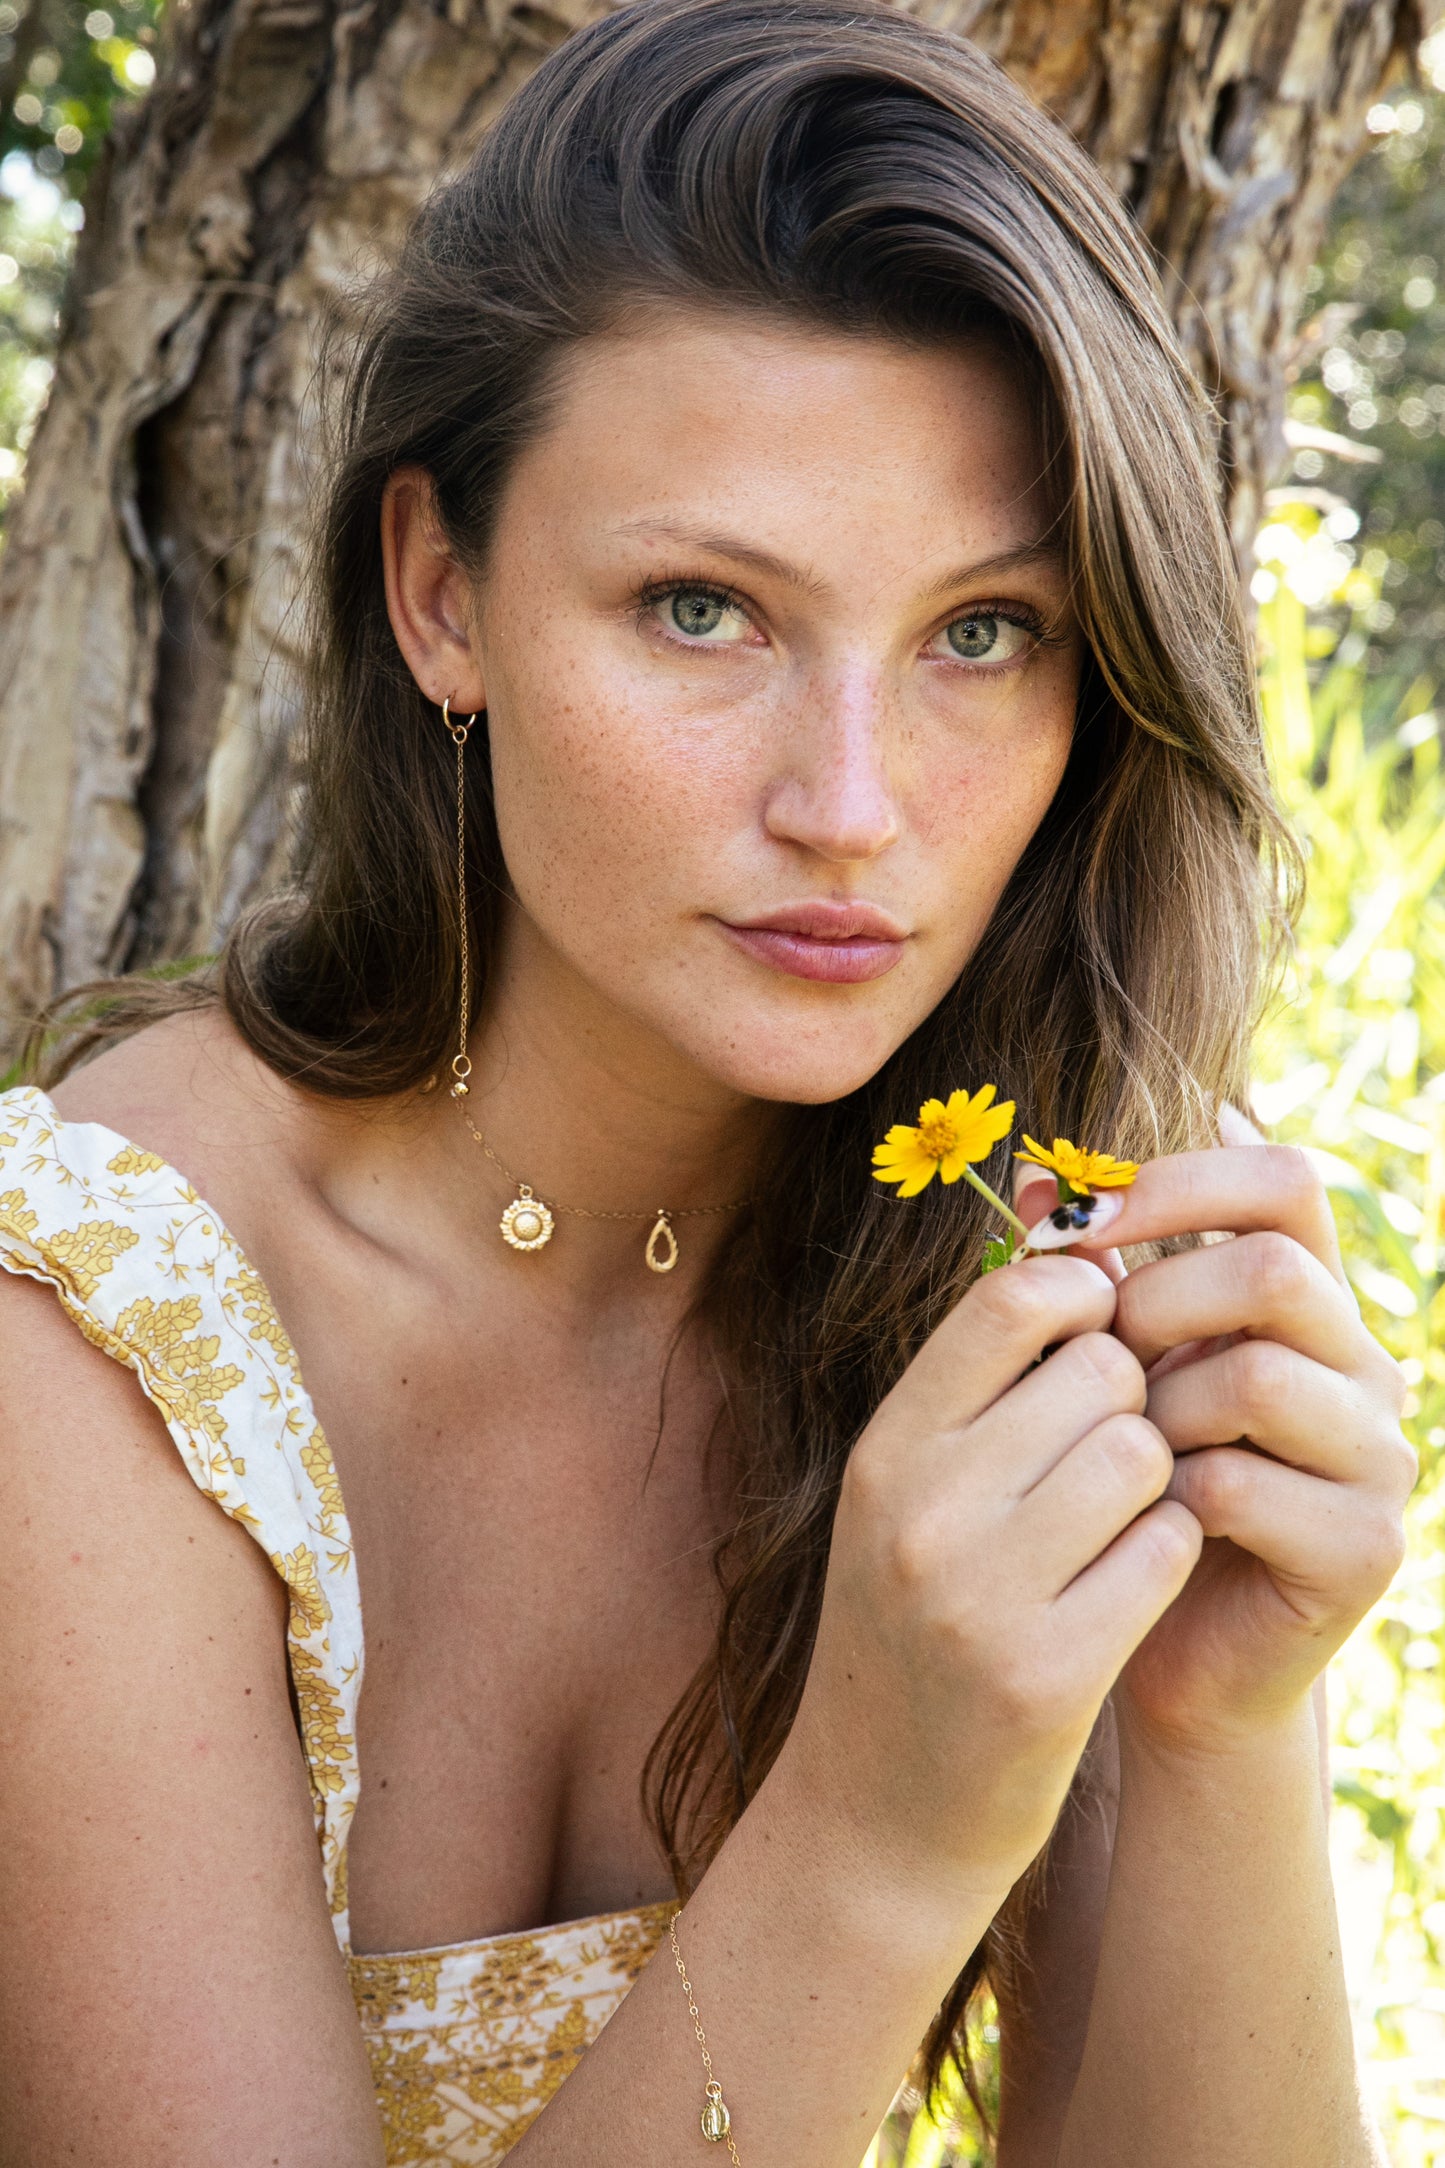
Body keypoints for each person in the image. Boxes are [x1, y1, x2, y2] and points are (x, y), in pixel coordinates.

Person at [0, 2, 1412, 2162]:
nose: (854, 806)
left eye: (980, 632)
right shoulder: (84, 1353)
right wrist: (870, 1830)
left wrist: (1220, 1727)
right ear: (441, 595)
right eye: (699, 609)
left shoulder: (1015, 1265)